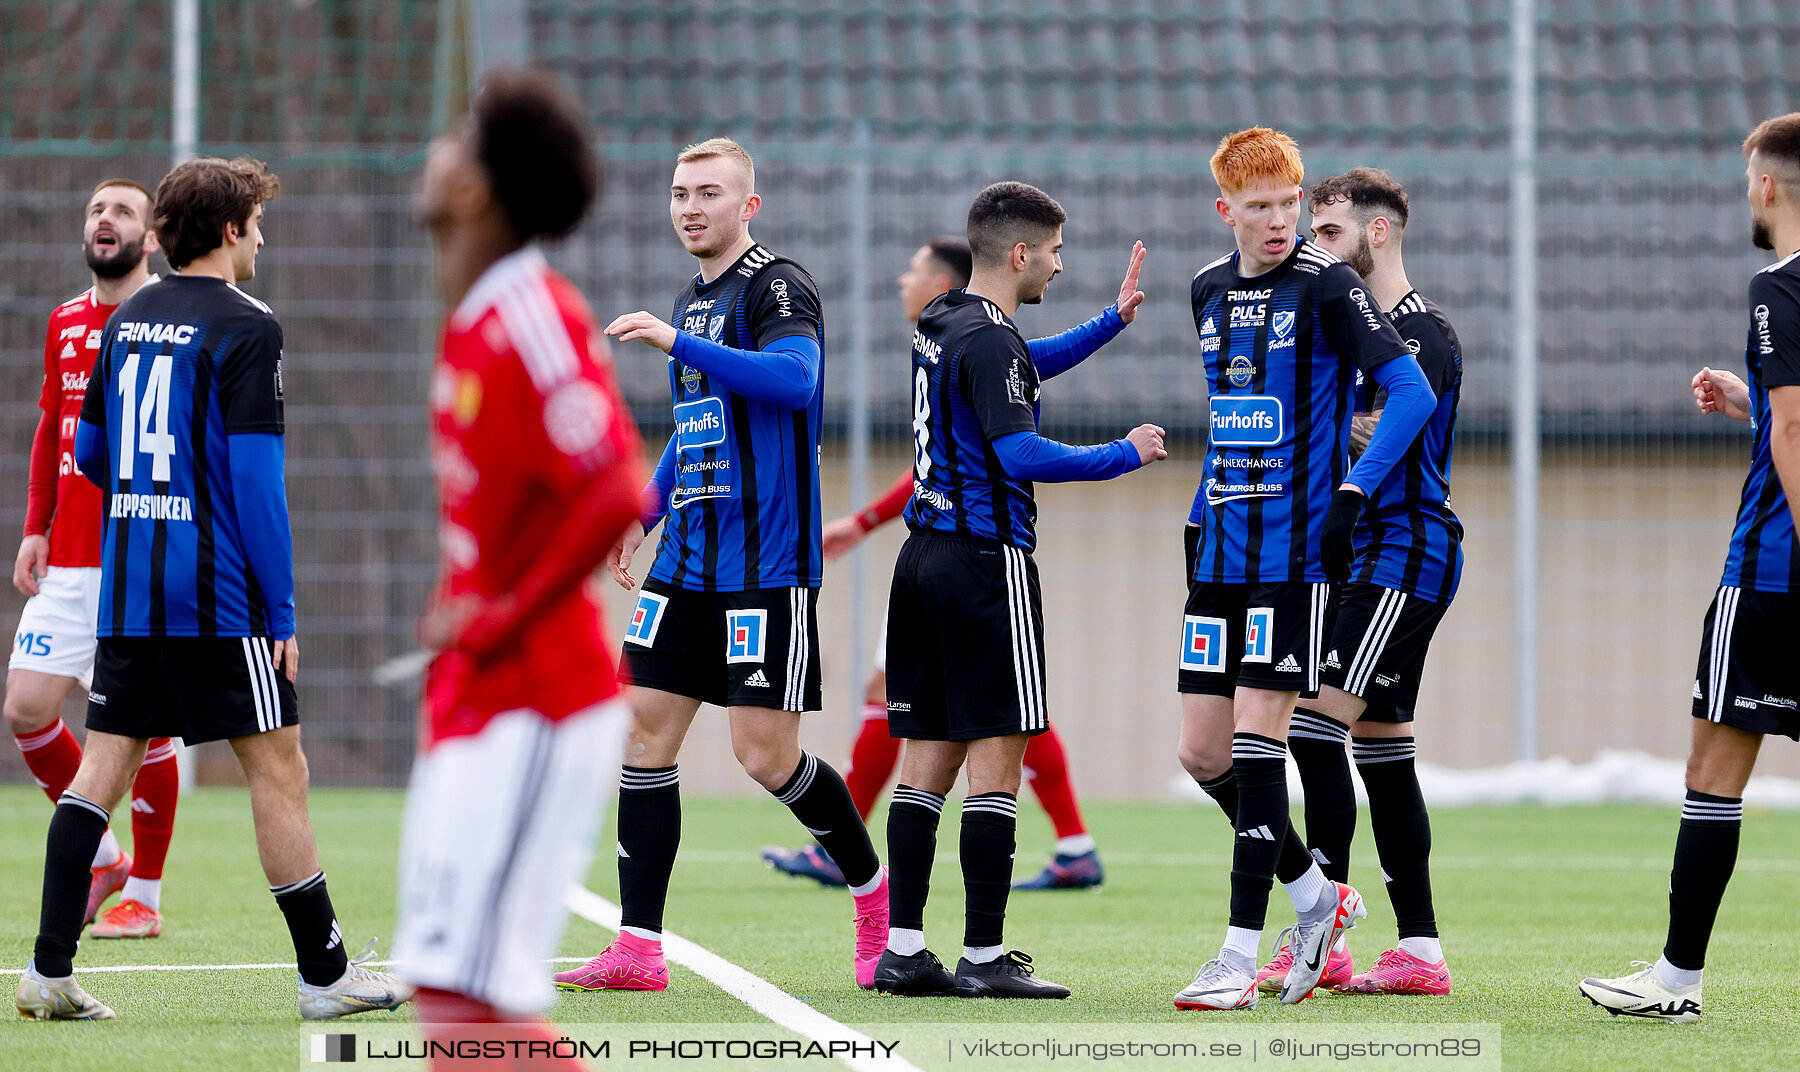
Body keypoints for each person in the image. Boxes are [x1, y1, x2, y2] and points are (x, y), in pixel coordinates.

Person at [13, 156, 410, 1022]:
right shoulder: (250, 326)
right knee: (280, 772)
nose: (262, 238)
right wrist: (284, 613)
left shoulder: (124, 320)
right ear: (230, 231)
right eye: (257, 224)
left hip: (129, 593)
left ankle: (46, 971)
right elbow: (259, 485)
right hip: (216, 600)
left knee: (100, 770)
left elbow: (91, 456)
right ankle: (326, 974)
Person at [553, 137, 889, 994]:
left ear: (750, 205)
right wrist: (645, 510)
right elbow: (698, 425)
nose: (690, 207)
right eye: (679, 193)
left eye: (709, 192)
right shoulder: (690, 301)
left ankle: (874, 895)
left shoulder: (780, 285)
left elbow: (792, 380)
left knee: (765, 756)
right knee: (641, 733)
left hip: (765, 564)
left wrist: (677, 341)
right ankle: (638, 948)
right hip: (690, 564)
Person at [762, 233, 1144, 891]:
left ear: (942, 285)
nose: (903, 279)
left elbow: (1012, 432)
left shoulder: (956, 334)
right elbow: (943, 456)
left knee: (992, 718)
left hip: (960, 554)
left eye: (913, 268)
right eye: (1055, 249)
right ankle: (956, 910)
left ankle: (887, 886)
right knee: (982, 712)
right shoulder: (948, 335)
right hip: (951, 554)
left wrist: (1118, 444)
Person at [395, 70, 643, 1067]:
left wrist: (502, 611)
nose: (437, 151)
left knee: (465, 1007)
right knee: (448, 1000)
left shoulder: (530, 314)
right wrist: (465, 600)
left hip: (538, 697)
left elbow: (616, 486)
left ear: (479, 191)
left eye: (459, 138)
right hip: (477, 696)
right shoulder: (476, 318)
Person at [871, 181, 1166, 1000]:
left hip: (921, 559)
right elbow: (1021, 454)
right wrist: (1122, 453)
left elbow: (1019, 367)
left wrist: (1110, 322)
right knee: (998, 764)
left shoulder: (945, 317)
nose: (1062, 268)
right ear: (1021, 253)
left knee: (924, 765)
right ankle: (984, 958)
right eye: (1058, 253)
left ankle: (902, 950)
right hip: (983, 564)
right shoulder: (990, 340)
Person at [1172, 128, 1436, 1012]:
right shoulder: (1207, 288)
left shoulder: (1326, 284)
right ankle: (1318, 898)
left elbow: (1412, 392)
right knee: (1200, 752)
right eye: (1261, 208)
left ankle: (1237, 960)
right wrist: (1200, 514)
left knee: (1256, 747)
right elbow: (1231, 414)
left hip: (1294, 562)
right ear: (1227, 211)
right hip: (1223, 556)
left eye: (1290, 204)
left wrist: (1354, 492)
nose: (1282, 222)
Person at [1581, 113, 1800, 1023]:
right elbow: (1786, 416)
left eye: (1749, 174)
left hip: (1773, 578)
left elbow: (1798, 430)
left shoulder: (1776, 288)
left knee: (1714, 772)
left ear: (1768, 185)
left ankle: (1676, 981)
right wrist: (1754, 402)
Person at [1243, 168, 1462, 997]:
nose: (1313, 248)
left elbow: (1377, 431)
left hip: (1400, 552)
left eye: (1328, 233)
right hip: (1374, 556)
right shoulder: (1349, 330)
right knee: (1383, 750)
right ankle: (1421, 952)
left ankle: (1322, 929)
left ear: (1378, 233)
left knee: (1309, 724)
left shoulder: (1420, 332)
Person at [8, 178, 180, 940]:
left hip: (140, 557)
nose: (104, 220)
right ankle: (104, 855)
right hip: (69, 560)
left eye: (123, 212)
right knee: (25, 708)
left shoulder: (170, 321)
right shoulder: (65, 321)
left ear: (151, 240)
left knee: (153, 730)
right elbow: (53, 425)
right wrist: (34, 525)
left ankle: (142, 894)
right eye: (95, 210)